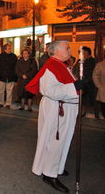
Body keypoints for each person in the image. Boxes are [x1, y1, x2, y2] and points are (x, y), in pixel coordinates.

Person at [26, 41, 82, 193]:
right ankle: (49, 174)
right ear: (56, 51)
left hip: (64, 108)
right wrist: (74, 87)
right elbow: (49, 90)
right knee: (54, 140)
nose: (70, 50)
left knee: (63, 140)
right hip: (57, 109)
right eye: (67, 48)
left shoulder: (62, 65)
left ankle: (57, 166)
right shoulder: (51, 66)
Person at [0, 44, 17, 108]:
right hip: (2, 76)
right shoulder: (0, 56)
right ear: (5, 49)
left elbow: (16, 66)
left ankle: (8, 103)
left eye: (10, 48)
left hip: (10, 76)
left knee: (9, 91)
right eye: (9, 48)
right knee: (1, 90)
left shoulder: (13, 56)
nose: (10, 49)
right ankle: (1, 102)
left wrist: (15, 77)